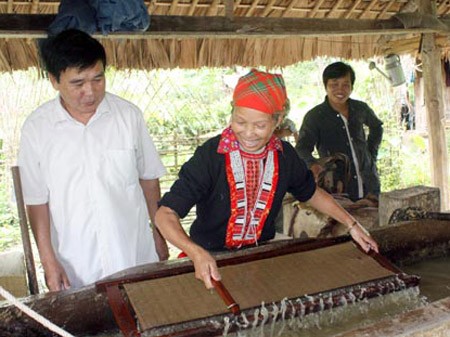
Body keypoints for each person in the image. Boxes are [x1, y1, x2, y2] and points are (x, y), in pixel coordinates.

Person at [155, 69, 378, 289]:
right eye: (240, 122)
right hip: (208, 257)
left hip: (259, 257)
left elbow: (310, 192)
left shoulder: (284, 156)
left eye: (260, 125)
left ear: (278, 120)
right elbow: (165, 214)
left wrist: (352, 224)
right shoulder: (211, 156)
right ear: (232, 112)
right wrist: (196, 252)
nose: (249, 133)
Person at [17, 29, 168, 291]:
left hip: (132, 251)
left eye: (98, 79)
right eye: (78, 83)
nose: (90, 91)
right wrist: (48, 261)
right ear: (54, 80)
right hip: (76, 261)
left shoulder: (128, 117)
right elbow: (36, 201)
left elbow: (149, 179)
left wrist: (159, 233)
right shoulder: (37, 128)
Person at [295, 62, 383, 202]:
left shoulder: (360, 108)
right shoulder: (315, 116)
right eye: (334, 85)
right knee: (341, 224)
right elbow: (302, 148)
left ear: (352, 87)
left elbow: (377, 127)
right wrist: (313, 165)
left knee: (373, 220)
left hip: (369, 185)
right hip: (337, 189)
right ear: (326, 86)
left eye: (345, 84)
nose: (340, 90)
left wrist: (371, 154)